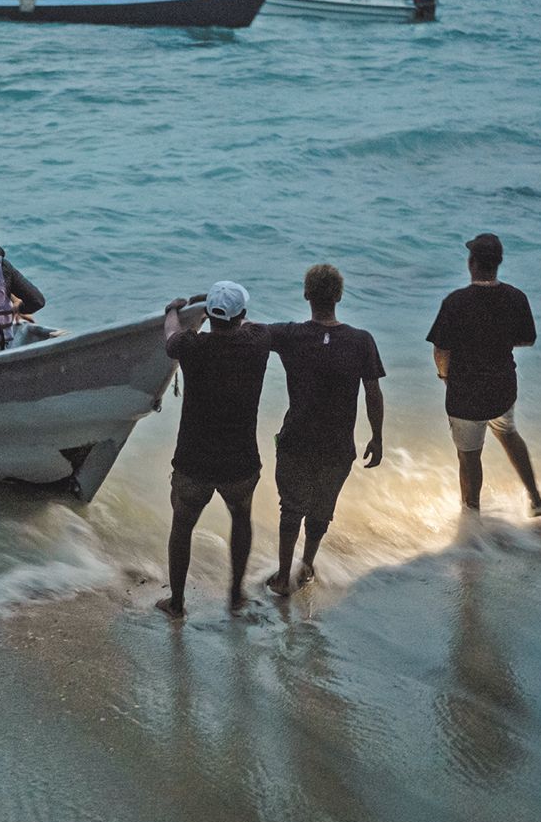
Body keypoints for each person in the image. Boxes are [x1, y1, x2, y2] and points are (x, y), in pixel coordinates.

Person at [264, 264, 385, 597]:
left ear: (306, 294)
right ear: (340, 296)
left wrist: (205, 312)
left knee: (290, 510)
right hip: (338, 446)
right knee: (321, 512)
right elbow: (373, 393)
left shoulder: (289, 335)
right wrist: (377, 436)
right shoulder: (362, 341)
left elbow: (245, 331)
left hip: (296, 441)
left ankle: (282, 576)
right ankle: (306, 567)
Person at [156, 281, 271, 619]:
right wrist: (211, 308)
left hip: (194, 460)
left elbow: (171, 335)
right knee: (241, 519)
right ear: (243, 315)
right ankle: (235, 595)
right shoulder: (258, 342)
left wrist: (175, 309)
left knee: (182, 525)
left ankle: (176, 603)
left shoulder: (192, 346)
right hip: (240, 460)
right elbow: (250, 326)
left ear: (208, 315)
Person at [426, 233, 541, 518]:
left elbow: (441, 349)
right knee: (508, 433)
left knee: (469, 457)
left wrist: (444, 375)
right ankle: (535, 497)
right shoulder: (517, 297)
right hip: (502, 389)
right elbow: (528, 340)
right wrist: (499, 339)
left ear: (472, 263)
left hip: (465, 395)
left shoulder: (455, 302)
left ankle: (472, 516)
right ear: (498, 264)